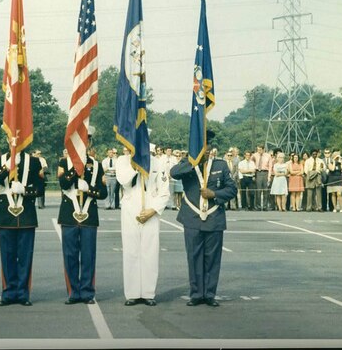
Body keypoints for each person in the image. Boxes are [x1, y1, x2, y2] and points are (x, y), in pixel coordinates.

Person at [171, 131, 237, 307]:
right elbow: (174, 173)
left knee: (212, 258)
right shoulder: (187, 164)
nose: (206, 150)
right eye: (201, 147)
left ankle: (209, 294)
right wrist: (194, 163)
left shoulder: (221, 166)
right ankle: (196, 294)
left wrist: (214, 193)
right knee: (194, 257)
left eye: (207, 146)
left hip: (214, 217)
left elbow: (232, 190)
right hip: (192, 218)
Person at [0, 146, 44, 306]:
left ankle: (23, 293)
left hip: (26, 215)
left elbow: (40, 189)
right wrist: (7, 166)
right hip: (5, 216)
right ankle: (8, 292)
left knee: (25, 257)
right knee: (7, 257)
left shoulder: (34, 162)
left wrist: (25, 190)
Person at [57, 136, 107, 305]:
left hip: (89, 215)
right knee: (70, 255)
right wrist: (75, 169)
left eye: (86, 141)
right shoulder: (64, 163)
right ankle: (73, 292)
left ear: (89, 144)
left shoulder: (97, 165)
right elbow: (63, 184)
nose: (82, 144)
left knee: (88, 256)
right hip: (69, 214)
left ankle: (87, 292)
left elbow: (103, 193)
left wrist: (90, 189)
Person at [116, 150, 170, 306]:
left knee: (150, 251)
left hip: (151, 209)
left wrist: (153, 210)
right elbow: (123, 180)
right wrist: (135, 166)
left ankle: (148, 293)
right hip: (129, 209)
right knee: (131, 251)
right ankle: (132, 293)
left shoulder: (157, 162)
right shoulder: (122, 160)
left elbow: (164, 191)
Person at [251, 145, 273, 211]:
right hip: (258, 172)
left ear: (263, 149)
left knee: (265, 190)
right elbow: (252, 163)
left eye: (260, 149)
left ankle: (265, 206)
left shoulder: (268, 156)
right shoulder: (254, 155)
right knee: (258, 190)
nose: (259, 151)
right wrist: (253, 174)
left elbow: (270, 166)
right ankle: (258, 206)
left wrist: (269, 176)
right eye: (258, 149)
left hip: (265, 172)